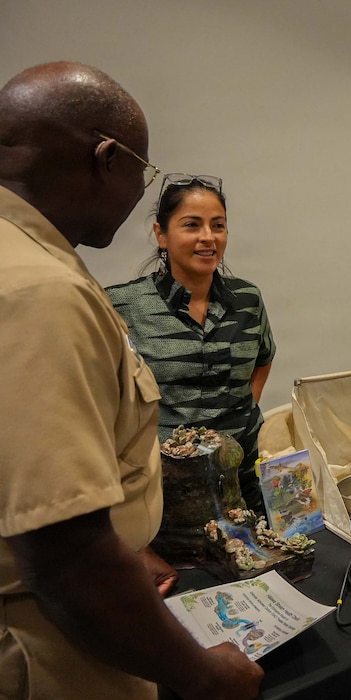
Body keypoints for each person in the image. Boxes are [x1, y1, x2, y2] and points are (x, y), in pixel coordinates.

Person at [0, 62, 263, 699]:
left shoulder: (24, 260)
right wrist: (202, 675)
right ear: (107, 159)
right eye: (142, 175)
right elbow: (65, 550)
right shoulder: (43, 291)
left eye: (218, 223)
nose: (208, 237)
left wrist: (120, 538)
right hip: (55, 635)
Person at [106, 174, 276, 515]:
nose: (208, 237)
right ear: (161, 235)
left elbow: (262, 358)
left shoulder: (246, 298)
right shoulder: (122, 306)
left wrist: (236, 419)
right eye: (192, 225)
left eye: (218, 225)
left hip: (245, 486)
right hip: (165, 495)